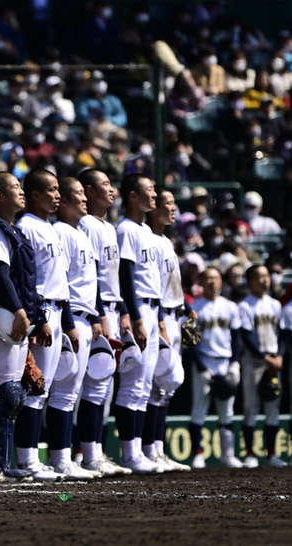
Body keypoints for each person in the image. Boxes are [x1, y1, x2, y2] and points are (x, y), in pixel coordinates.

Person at [0, 172, 37, 478]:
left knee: (14, 395)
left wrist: (34, 315)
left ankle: (1, 463)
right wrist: (18, 309)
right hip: (4, 314)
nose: (21, 192)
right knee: (3, 394)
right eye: (15, 187)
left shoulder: (16, 231)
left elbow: (25, 279)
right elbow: (0, 275)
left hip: (18, 315)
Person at [14, 169, 70, 482]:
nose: (56, 195)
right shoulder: (27, 226)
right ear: (34, 194)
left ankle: (34, 457)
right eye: (50, 190)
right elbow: (27, 278)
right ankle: (27, 459)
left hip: (58, 309)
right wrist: (39, 318)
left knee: (43, 389)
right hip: (44, 310)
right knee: (34, 387)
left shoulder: (49, 227)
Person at [48, 176, 103, 480]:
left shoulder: (78, 233)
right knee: (63, 392)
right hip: (69, 318)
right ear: (64, 202)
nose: (85, 199)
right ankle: (60, 458)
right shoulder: (61, 232)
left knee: (73, 392)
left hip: (85, 317)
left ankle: (70, 457)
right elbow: (63, 283)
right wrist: (70, 322)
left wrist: (94, 319)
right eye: (79, 194)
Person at [76, 169, 130, 476]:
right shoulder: (86, 225)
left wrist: (121, 310)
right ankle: (86, 452)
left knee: (104, 388)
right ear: (88, 191)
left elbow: (113, 277)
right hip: (94, 310)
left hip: (110, 307)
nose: (111, 190)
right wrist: (99, 315)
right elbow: (90, 277)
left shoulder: (107, 226)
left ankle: (95, 451)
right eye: (105, 184)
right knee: (92, 386)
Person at [115, 173, 164, 474]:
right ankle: (129, 453)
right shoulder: (126, 229)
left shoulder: (146, 230)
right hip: (140, 309)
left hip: (154, 310)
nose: (154, 194)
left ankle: (140, 452)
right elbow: (125, 275)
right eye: (149, 189)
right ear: (132, 195)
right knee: (133, 383)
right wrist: (134, 317)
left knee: (145, 385)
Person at [145, 187, 193, 473]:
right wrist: (163, 317)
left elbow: (172, 284)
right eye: (167, 203)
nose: (173, 208)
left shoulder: (166, 240)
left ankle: (158, 449)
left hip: (174, 316)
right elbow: (153, 287)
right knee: (154, 386)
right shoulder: (149, 239)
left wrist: (187, 308)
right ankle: (149, 449)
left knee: (166, 389)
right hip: (160, 317)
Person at [188, 267, 243, 469]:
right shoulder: (195, 307)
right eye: (208, 278)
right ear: (201, 282)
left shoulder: (230, 306)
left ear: (221, 282)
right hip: (204, 361)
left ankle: (228, 454)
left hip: (225, 362)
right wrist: (201, 367)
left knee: (227, 412)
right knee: (199, 410)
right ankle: (197, 455)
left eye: (216, 278)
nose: (212, 282)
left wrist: (235, 363)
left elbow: (236, 338)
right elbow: (191, 341)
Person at [238, 264, 285, 468]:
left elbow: (281, 335)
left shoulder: (275, 305)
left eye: (266, 276)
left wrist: (280, 357)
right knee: (251, 408)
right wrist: (266, 358)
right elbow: (247, 337)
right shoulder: (245, 305)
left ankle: (272, 454)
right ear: (250, 281)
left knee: (272, 407)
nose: (265, 280)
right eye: (260, 277)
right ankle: (250, 454)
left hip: (274, 362)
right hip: (254, 361)